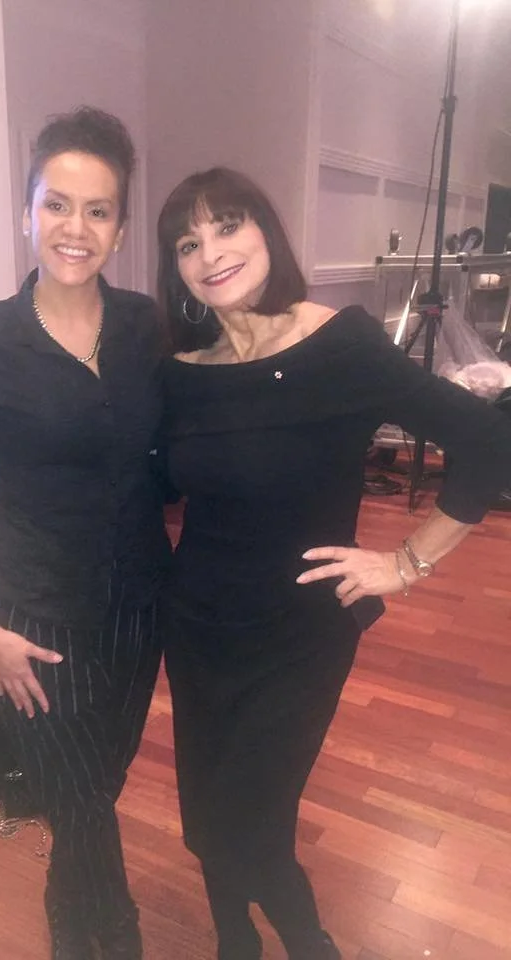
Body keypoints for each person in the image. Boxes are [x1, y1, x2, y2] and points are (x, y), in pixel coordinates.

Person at [155, 167, 511, 960]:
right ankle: (230, 940)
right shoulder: (182, 372)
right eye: (188, 242)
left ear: (266, 233)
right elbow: (147, 485)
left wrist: (407, 562)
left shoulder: (339, 343)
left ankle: (311, 943)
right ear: (174, 269)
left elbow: (490, 444)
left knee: (249, 818)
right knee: (208, 809)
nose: (211, 252)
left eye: (228, 225)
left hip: (301, 632)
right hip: (200, 626)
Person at [0, 106, 170, 960]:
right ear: (28, 211)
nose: (75, 227)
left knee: (94, 789)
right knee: (80, 801)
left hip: (139, 608)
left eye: (96, 210)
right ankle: (116, 941)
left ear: (121, 226)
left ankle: (70, 929)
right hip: (32, 618)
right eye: (56, 205)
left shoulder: (146, 327)